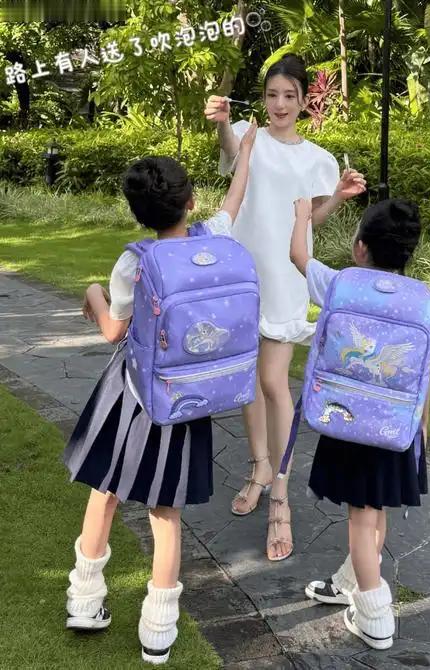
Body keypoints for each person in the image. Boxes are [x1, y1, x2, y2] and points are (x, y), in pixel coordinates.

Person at [62, 123, 257, 665]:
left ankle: (84, 599)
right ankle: (158, 629)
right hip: (186, 400)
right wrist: (245, 150)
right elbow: (236, 198)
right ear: (191, 202)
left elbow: (113, 331)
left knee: (105, 491)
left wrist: (93, 293)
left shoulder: (134, 262)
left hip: (132, 397)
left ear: (137, 214)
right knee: (165, 512)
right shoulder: (215, 239)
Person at [204, 53, 366, 561]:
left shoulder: (317, 157)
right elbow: (231, 153)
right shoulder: (249, 136)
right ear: (264, 99)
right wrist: (224, 122)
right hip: (242, 271)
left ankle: (280, 491)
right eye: (272, 95)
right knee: (248, 378)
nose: (279, 104)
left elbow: (309, 219)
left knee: (274, 381)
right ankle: (258, 466)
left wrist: (338, 196)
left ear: (303, 101)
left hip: (286, 274)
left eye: (289, 96)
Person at [290, 196, 430, 650]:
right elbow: (424, 369)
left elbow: (299, 256)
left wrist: (302, 217)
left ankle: (375, 615)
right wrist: (422, 424)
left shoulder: (341, 284)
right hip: (395, 425)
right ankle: (350, 582)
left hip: (348, 419)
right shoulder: (422, 301)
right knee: (375, 509)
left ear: (359, 247)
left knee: (360, 517)